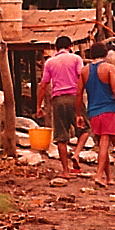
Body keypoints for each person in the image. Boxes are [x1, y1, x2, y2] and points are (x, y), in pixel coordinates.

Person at [76, 42, 115, 188]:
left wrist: (78, 115)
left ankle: (109, 177)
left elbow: (78, 94)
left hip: (93, 111)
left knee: (102, 144)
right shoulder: (109, 68)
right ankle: (99, 175)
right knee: (105, 142)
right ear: (106, 54)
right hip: (108, 110)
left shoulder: (84, 71)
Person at [36, 35, 83, 178]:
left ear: (55, 48)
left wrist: (39, 105)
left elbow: (43, 85)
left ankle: (65, 171)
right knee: (85, 129)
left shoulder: (50, 62)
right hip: (75, 98)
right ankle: (76, 153)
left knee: (61, 137)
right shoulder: (76, 59)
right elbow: (82, 77)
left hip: (57, 100)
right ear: (70, 47)